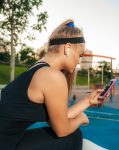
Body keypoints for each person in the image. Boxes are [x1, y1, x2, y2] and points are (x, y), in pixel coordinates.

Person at [0, 19, 104, 150]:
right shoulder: (52, 76)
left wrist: (88, 101)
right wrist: (80, 119)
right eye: (80, 54)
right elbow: (62, 130)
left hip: (8, 139)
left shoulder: (38, 69)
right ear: (67, 48)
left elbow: (59, 116)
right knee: (73, 136)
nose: (79, 61)